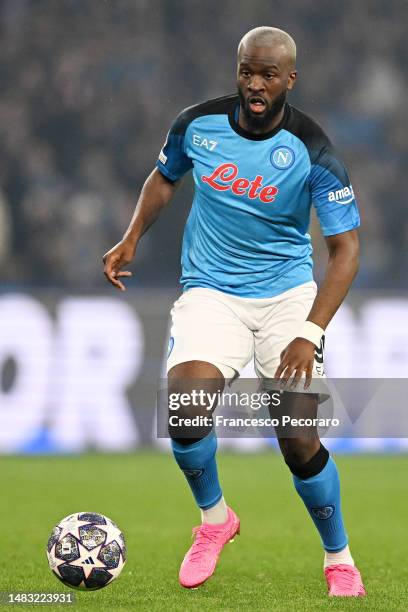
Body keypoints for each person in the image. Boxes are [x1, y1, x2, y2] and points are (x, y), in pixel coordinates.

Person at [103, 26, 366, 597]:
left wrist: (309, 330)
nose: (255, 84)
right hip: (211, 291)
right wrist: (131, 239)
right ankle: (215, 520)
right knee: (185, 408)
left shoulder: (313, 148)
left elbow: (345, 249)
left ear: (289, 80)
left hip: (287, 296)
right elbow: (165, 176)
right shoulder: (196, 124)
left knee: (297, 439)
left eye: (268, 75)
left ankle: (338, 557)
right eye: (247, 71)